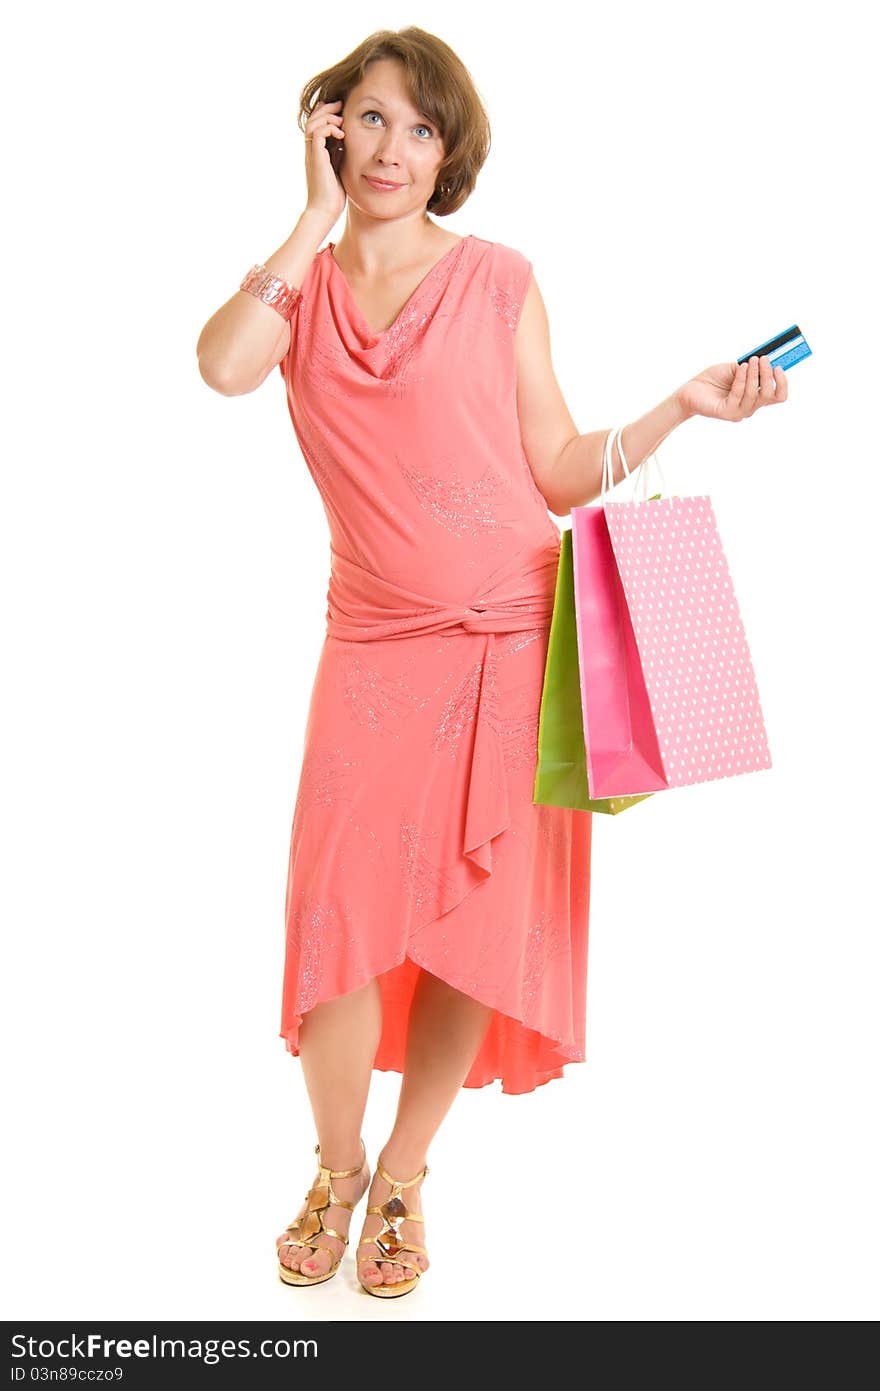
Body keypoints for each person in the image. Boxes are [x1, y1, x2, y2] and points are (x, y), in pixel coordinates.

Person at [196, 26, 788, 1300]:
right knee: (339, 927)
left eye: (420, 128)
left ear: (449, 152)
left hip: (516, 640)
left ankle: (405, 1175)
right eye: (368, 118)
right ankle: (337, 1166)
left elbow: (558, 465)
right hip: (373, 647)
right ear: (329, 127)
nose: (391, 147)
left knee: (473, 926)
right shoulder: (293, 292)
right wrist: (305, 219)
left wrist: (682, 405)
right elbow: (222, 367)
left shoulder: (502, 277)